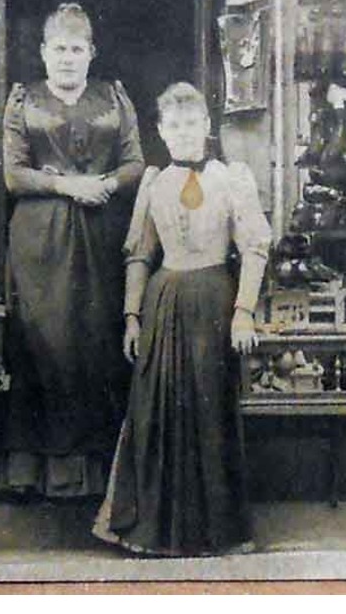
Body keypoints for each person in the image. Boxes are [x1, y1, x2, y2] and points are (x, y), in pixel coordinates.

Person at [93, 82, 270, 556]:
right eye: (174, 125)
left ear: (207, 127)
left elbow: (253, 248)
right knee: (156, 414)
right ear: (161, 131)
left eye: (192, 123)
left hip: (213, 301)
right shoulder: (155, 182)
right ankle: (152, 530)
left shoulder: (231, 177)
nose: (184, 133)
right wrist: (132, 315)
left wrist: (243, 313)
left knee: (209, 413)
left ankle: (217, 532)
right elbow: (140, 254)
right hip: (163, 303)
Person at [0, 2, 145, 498]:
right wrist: (67, 187)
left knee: (99, 344)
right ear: (43, 52)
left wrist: (103, 183)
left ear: (91, 53)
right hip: (41, 244)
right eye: (58, 49)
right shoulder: (23, 101)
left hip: (103, 236)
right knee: (47, 344)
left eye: (76, 49)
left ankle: (98, 473)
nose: (67, 58)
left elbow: (136, 164)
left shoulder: (115, 99)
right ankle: (43, 470)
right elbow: (14, 175)